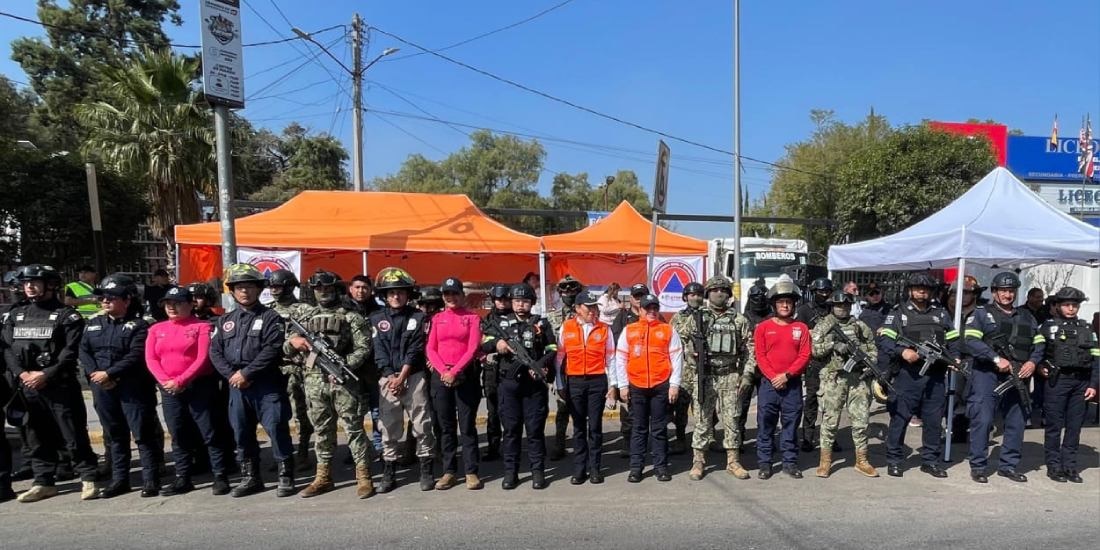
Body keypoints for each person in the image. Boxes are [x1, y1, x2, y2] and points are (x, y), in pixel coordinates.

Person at [2, 264, 99, 502]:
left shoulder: (67, 315)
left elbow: (70, 351)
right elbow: (6, 349)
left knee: (73, 434)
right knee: (35, 436)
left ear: (51, 285)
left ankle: (88, 477)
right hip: (27, 386)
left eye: (35, 282)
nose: (29, 287)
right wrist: (22, 374)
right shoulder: (15, 314)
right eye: (26, 283)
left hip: (59, 386)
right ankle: (43, 481)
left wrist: (45, 374)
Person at [285, 270, 374, 499]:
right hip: (314, 382)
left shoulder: (350, 316)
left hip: (343, 381)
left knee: (354, 429)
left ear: (336, 289)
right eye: (319, 288)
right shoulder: (304, 317)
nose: (323, 292)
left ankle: (363, 476)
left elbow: (363, 347)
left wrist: (344, 365)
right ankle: (323, 477)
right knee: (322, 430)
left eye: (328, 288)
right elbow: (286, 348)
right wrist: (294, 342)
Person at [209, 263, 295, 498]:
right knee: (242, 432)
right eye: (239, 287)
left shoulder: (271, 317)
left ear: (259, 289)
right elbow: (215, 351)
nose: (244, 291)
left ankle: (285, 475)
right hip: (236, 385)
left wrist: (247, 373)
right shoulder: (225, 320)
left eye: (249, 287)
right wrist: (232, 375)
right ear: (232, 291)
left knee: (276, 427)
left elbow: (272, 349)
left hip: (266, 383)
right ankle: (251, 477)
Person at [146, 286, 232, 496]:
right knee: (178, 433)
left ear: (190, 305)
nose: (171, 307)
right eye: (168, 304)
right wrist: (165, 381)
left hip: (198, 386)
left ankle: (220, 476)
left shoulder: (202, 327)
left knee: (209, 432)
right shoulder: (156, 329)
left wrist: (182, 380)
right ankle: (182, 477)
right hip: (170, 389)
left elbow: (203, 358)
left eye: (177, 303)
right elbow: (151, 358)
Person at [81, 274, 160, 498]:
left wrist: (110, 373)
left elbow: (136, 355)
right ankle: (120, 480)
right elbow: (84, 351)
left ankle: (150, 480)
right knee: (115, 435)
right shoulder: (93, 324)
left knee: (143, 434)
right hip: (103, 387)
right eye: (103, 297)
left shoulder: (140, 325)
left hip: (133, 387)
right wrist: (97, 375)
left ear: (127, 300)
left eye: (112, 297)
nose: (105, 301)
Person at [878, 272, 961, 478]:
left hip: (936, 376)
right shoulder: (898, 313)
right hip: (908, 376)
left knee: (933, 421)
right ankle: (895, 460)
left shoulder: (941, 314)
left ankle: (930, 461)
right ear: (910, 290)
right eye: (917, 288)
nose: (922, 292)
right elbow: (885, 340)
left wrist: (955, 358)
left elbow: (953, 339)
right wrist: (902, 351)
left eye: (926, 289)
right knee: (900, 418)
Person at [961, 272, 1041, 484]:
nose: (1008, 295)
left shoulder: (1027, 316)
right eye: (1003, 290)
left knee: (1017, 421)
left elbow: (1039, 343)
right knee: (983, 419)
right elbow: (971, 341)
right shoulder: (981, 314)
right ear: (994, 292)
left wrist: (1033, 362)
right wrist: (996, 358)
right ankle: (978, 466)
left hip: (1018, 374)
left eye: (1011, 291)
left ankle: (1008, 466)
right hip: (987, 374)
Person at [368, 267, 436, 493]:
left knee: (422, 424)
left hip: (414, 377)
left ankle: (426, 470)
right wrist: (391, 377)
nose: (396, 296)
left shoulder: (418, 317)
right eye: (391, 293)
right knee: (388, 427)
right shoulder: (376, 318)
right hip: (388, 379)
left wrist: (403, 376)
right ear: (385, 296)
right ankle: (389, 472)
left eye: (400, 292)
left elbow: (415, 349)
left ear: (408, 294)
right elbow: (378, 351)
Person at [684, 276, 755, 481]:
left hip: (730, 375)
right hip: (705, 375)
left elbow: (749, 350)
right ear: (708, 294)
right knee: (702, 419)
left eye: (723, 290)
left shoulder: (739, 320)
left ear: (729, 294)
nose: (719, 293)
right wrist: (691, 354)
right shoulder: (697, 318)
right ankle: (698, 461)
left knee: (732, 419)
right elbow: (684, 344)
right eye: (714, 290)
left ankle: (733, 461)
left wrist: (747, 374)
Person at [489, 283, 557, 489]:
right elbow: (484, 341)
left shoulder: (541, 324)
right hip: (509, 384)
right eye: (517, 301)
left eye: (525, 301)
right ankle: (511, 472)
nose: (520, 305)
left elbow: (552, 348)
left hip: (533, 386)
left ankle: (538, 472)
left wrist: (541, 365)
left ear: (532, 303)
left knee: (535, 431)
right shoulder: (500, 323)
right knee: (511, 431)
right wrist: (497, 344)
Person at [810, 290, 879, 478]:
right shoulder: (823, 326)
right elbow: (814, 350)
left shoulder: (859, 326)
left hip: (857, 380)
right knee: (830, 421)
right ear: (832, 306)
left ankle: (862, 460)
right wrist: (832, 345)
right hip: (834, 379)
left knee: (861, 421)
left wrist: (867, 360)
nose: (842, 308)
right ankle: (825, 461)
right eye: (838, 305)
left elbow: (872, 347)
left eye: (846, 305)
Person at [615, 293, 682, 483]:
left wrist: (674, 385)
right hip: (636, 386)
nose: (652, 311)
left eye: (655, 308)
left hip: (660, 385)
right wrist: (623, 385)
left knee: (659, 429)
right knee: (638, 428)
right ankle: (636, 468)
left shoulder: (668, 330)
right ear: (640, 310)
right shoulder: (629, 330)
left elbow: (677, 358)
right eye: (648, 308)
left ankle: (661, 467)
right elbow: (620, 358)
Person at [425, 277, 483, 491]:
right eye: (447, 294)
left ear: (462, 295)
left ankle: (471, 471)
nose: (451, 297)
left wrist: (455, 371)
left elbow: (473, 347)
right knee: (445, 426)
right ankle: (449, 471)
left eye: (455, 293)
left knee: (467, 426)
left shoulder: (472, 318)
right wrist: (444, 371)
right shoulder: (437, 318)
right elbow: (430, 348)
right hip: (441, 376)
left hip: (465, 375)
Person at [1038, 287, 1099, 483]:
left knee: (1074, 426)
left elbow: (1096, 359)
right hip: (1057, 380)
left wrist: (1093, 384)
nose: (1071, 308)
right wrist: (1040, 367)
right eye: (1067, 305)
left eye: (1075, 305)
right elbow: (1037, 353)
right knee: (1054, 426)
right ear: (1057, 306)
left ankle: (1070, 466)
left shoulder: (1087, 328)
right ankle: (1054, 466)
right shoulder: (1047, 327)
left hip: (1081, 382)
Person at [753, 277, 812, 480]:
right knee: (765, 425)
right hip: (768, 385)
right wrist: (773, 377)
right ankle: (765, 463)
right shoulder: (762, 327)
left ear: (794, 305)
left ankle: (790, 462)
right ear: (774, 305)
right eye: (780, 302)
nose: (785, 305)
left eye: (788, 302)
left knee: (791, 425)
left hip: (792, 385)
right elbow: (760, 356)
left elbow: (804, 355)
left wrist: (787, 375)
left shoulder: (801, 328)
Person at [557, 290, 615, 484]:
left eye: (594, 307)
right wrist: (559, 383)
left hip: (597, 381)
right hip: (574, 382)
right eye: (587, 307)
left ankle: (595, 468)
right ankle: (579, 468)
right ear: (577, 308)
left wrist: (613, 385)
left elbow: (611, 359)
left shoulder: (604, 329)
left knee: (595, 426)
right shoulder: (567, 327)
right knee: (579, 427)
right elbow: (559, 358)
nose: (592, 311)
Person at [265, 269, 313, 469]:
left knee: (301, 413)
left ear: (289, 287)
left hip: (297, 369)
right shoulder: (267, 310)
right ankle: (282, 454)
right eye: (272, 287)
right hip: (272, 369)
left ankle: (302, 452)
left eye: (278, 287)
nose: (274, 291)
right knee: (274, 416)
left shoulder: (305, 310)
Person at [607, 283, 649, 457]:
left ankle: (644, 442)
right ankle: (628, 440)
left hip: (649, 371)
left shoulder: (654, 315)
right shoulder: (623, 317)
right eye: (636, 296)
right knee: (628, 409)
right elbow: (616, 344)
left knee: (647, 410)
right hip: (628, 370)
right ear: (631, 298)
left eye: (642, 296)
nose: (639, 300)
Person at [344, 274, 384, 460]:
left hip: (374, 369)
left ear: (371, 290)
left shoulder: (378, 312)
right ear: (350, 289)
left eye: (365, 288)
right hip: (350, 369)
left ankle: (379, 447)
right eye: (357, 287)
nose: (361, 291)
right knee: (353, 413)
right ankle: (357, 449)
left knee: (378, 411)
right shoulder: (342, 310)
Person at [546, 274, 583, 461]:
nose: (568, 293)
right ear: (560, 293)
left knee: (583, 409)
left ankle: (583, 444)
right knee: (562, 408)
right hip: (561, 369)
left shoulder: (587, 315)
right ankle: (559, 443)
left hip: (583, 368)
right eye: (564, 290)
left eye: (572, 289)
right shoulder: (552, 317)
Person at [794, 277, 833, 453]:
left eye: (827, 291)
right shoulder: (804, 311)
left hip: (832, 361)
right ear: (814, 292)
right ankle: (808, 437)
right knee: (811, 400)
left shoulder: (834, 309)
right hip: (813, 362)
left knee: (831, 401)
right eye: (821, 291)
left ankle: (830, 436)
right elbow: (798, 334)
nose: (824, 295)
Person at [668, 281, 704, 456]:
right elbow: (671, 342)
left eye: (698, 295)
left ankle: (707, 438)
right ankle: (680, 439)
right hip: (685, 370)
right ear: (685, 297)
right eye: (692, 295)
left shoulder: (708, 315)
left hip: (704, 369)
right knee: (681, 408)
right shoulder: (678, 318)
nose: (695, 298)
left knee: (704, 407)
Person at [477, 284, 512, 461]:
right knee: (493, 410)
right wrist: (497, 343)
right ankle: (493, 447)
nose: (502, 302)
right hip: (492, 369)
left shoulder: (516, 318)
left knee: (511, 411)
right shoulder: (488, 320)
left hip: (512, 368)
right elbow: (483, 343)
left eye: (505, 299)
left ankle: (511, 446)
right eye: (499, 299)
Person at [738, 278, 771, 444]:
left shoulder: (772, 318)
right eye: (755, 298)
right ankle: (738, 437)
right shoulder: (743, 318)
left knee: (766, 406)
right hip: (747, 368)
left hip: (767, 368)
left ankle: (764, 438)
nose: (759, 300)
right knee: (741, 404)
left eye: (762, 297)